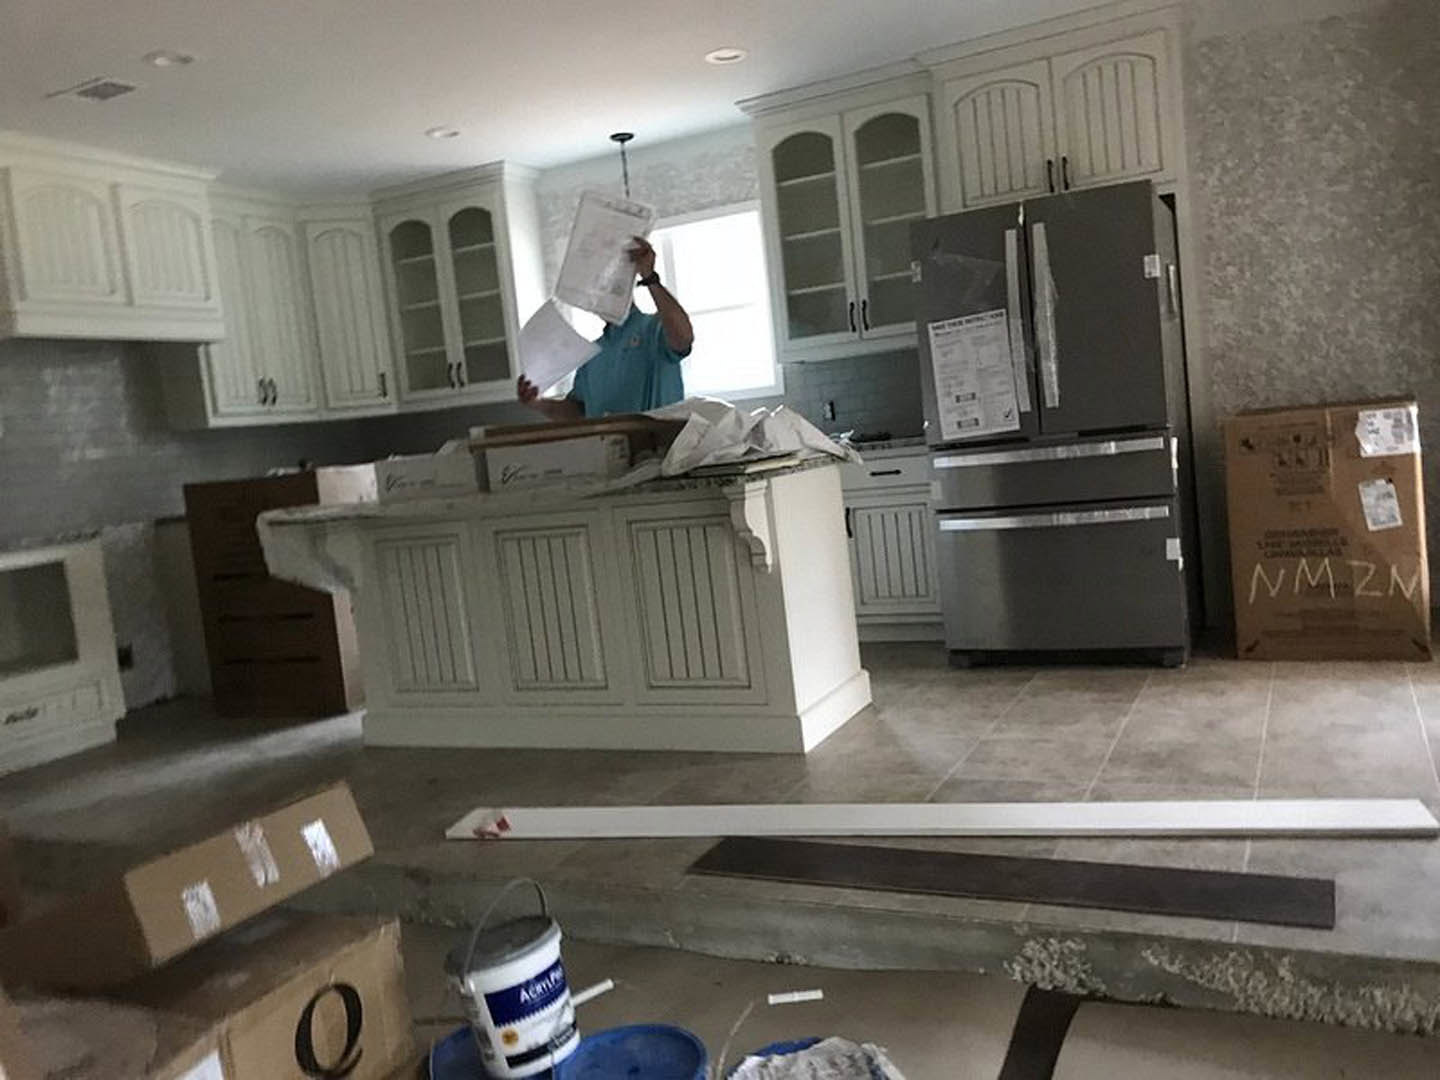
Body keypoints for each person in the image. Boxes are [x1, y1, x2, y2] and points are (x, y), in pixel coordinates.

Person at [516, 236, 694, 420]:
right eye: (594, 289)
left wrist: (649, 277)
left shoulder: (653, 329)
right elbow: (578, 411)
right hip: (610, 446)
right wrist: (538, 403)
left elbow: (683, 336)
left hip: (662, 445)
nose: (600, 294)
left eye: (606, 286)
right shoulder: (592, 356)